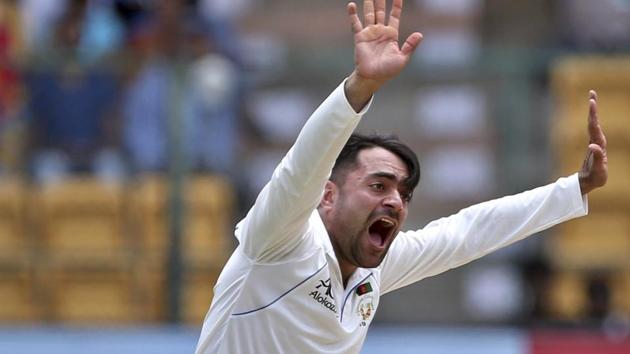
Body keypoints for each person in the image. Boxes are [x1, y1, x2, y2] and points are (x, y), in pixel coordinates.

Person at [195, 1, 608, 353]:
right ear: (327, 196)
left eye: (403, 193)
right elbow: (301, 165)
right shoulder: (278, 239)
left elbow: (469, 232)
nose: (395, 200)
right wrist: (361, 86)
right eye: (378, 185)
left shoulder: (372, 272)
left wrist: (575, 187)